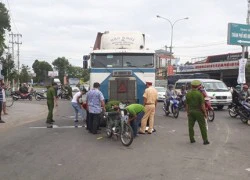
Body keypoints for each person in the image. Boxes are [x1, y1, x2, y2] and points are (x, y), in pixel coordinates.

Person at [186, 80, 209, 145]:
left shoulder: (188, 93)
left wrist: (187, 112)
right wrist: (205, 113)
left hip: (191, 111)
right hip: (198, 112)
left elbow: (187, 105)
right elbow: (202, 105)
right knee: (202, 126)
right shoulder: (199, 94)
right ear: (198, 86)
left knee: (190, 126)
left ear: (192, 86)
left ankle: (192, 139)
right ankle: (205, 140)